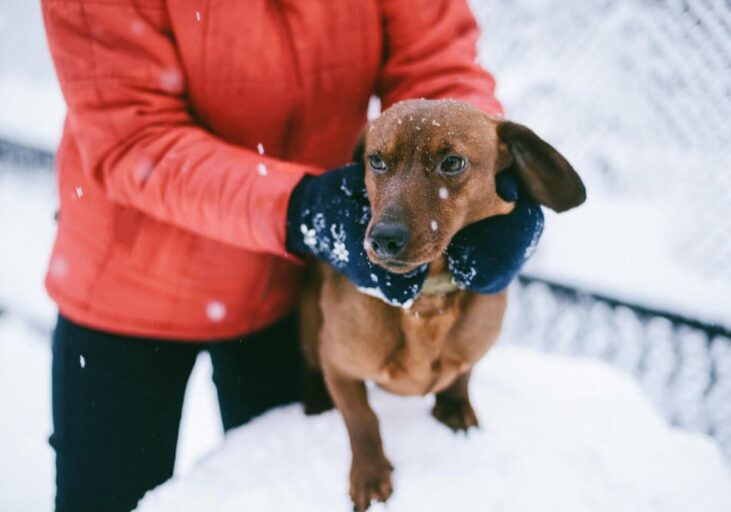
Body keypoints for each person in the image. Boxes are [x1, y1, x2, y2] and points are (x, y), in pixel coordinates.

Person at [41, 1, 539, 510]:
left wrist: (472, 162)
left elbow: (436, 58)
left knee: (285, 491)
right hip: (132, 291)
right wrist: (300, 206)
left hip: (293, 288)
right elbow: (134, 136)